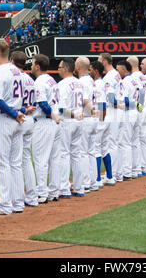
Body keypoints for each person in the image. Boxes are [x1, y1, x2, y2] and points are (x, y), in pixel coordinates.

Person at [0, 40, 26, 216]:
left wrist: (12, 113)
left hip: (5, 118)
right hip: (17, 119)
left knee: (2, 163)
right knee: (15, 163)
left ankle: (5, 204)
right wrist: (17, 113)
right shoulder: (16, 70)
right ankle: (18, 202)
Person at [31, 54, 63, 202]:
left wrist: (51, 114)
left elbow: (43, 104)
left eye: (32, 63)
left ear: (38, 66)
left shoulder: (40, 81)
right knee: (55, 158)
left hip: (45, 121)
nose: (31, 66)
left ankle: (42, 193)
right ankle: (54, 191)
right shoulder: (51, 80)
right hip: (55, 123)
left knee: (41, 159)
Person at [10, 51, 39, 207]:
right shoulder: (30, 79)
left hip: (20, 118)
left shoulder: (15, 77)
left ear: (12, 61)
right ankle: (32, 197)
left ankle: (17, 198)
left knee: (14, 161)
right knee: (26, 159)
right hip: (30, 119)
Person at [57, 58, 87, 197]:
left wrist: (74, 114)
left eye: (59, 67)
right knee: (76, 154)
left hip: (69, 119)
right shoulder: (79, 83)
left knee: (63, 154)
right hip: (79, 120)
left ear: (65, 68)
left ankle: (64, 189)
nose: (58, 69)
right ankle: (79, 187)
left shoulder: (63, 84)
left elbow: (62, 108)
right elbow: (86, 103)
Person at [75, 57, 102, 191]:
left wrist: (92, 110)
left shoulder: (82, 81)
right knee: (91, 151)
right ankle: (93, 181)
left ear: (78, 66)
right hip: (94, 119)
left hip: (87, 118)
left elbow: (85, 101)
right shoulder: (92, 81)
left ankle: (86, 182)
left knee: (83, 152)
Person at [89, 61, 115, 186]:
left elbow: (102, 104)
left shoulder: (97, 84)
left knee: (96, 149)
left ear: (96, 70)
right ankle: (109, 176)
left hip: (101, 117)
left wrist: (101, 120)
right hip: (108, 116)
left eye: (91, 69)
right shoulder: (104, 83)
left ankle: (98, 179)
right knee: (105, 148)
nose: (89, 71)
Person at [99, 53, 123, 181]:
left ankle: (112, 174)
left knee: (111, 143)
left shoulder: (109, 76)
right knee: (115, 143)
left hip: (113, 110)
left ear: (104, 61)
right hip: (118, 110)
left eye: (99, 59)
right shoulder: (116, 74)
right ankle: (116, 173)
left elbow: (111, 98)